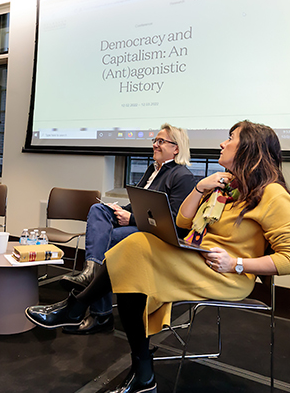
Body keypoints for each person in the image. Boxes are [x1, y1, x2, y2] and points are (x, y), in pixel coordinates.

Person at [25, 120, 290, 393]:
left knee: (135, 246)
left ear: (249, 149)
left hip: (226, 275)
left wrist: (237, 264)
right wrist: (200, 188)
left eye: (230, 138)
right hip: (196, 259)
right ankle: (141, 375)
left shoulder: (273, 195)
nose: (222, 143)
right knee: (135, 269)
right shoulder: (226, 186)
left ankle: (78, 308)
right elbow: (183, 222)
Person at [59, 123, 196, 334]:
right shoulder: (152, 170)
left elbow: (175, 222)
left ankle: (101, 314)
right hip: (138, 225)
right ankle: (91, 271)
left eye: (161, 141)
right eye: (155, 141)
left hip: (156, 237)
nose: (155, 145)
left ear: (176, 148)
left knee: (109, 239)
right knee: (98, 209)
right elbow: (138, 205)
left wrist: (131, 219)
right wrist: (120, 210)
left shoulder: (181, 176)